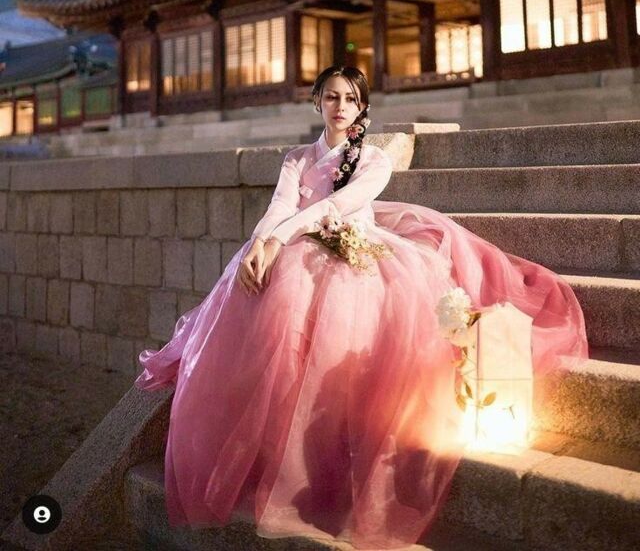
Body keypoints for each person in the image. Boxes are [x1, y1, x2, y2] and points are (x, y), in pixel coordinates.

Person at [134, 65, 589, 551]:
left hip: (352, 243)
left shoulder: (373, 159)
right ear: (317, 101)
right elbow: (280, 205)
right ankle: (260, 449)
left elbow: (333, 208)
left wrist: (279, 239)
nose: (341, 107)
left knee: (307, 284)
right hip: (294, 241)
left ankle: (316, 459)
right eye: (332, 97)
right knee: (266, 279)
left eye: (351, 99)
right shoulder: (297, 158)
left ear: (362, 107)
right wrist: (260, 243)